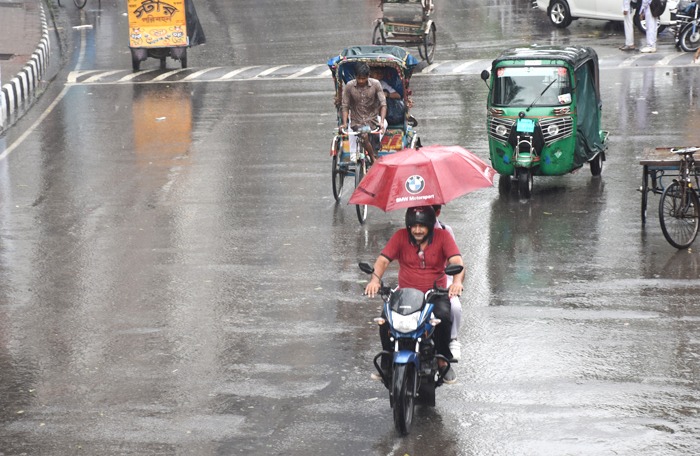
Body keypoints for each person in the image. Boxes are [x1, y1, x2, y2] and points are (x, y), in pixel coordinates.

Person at [365, 206, 465, 384]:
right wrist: (375, 280)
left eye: (422, 226)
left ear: (429, 225)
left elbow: (457, 261)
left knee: (443, 316)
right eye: (413, 226)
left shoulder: (443, 237)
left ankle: (442, 361)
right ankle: (387, 362)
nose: (417, 230)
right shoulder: (400, 236)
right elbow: (382, 260)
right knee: (384, 319)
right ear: (408, 226)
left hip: (434, 294)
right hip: (405, 294)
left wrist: (456, 282)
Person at [432, 205, 462, 362]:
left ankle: (452, 339)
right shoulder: (406, 233)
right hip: (414, 283)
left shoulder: (445, 232)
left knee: (454, 307)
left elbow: (458, 261)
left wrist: (456, 282)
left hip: (443, 282)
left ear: (437, 213)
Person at [341, 62, 387, 163]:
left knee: (375, 147)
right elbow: (345, 106)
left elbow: (383, 104)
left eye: (363, 78)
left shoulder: (376, 84)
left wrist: (382, 121)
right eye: (359, 78)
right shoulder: (349, 86)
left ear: (368, 76)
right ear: (355, 76)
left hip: (373, 121)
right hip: (356, 121)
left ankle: (373, 156)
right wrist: (344, 123)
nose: (361, 81)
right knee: (364, 135)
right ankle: (373, 159)